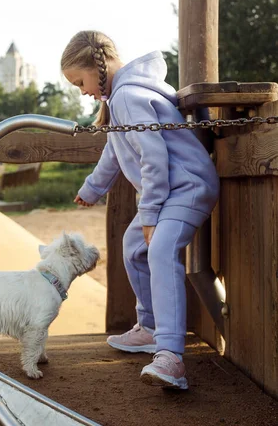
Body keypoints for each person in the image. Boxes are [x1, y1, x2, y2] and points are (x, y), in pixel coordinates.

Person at [61, 30, 220, 390]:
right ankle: (149, 328)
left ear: (95, 67)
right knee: (133, 248)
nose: (82, 91)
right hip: (171, 190)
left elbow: (153, 157)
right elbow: (115, 150)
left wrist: (148, 214)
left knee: (160, 251)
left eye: (79, 81)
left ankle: (171, 358)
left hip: (187, 187)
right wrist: (92, 188)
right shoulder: (123, 97)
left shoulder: (129, 97)